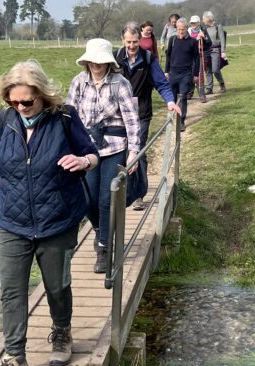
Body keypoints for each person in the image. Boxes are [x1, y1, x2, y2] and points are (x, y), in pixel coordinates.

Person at [0, 60, 99, 366]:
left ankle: (62, 332)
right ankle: (16, 364)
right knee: (12, 292)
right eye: (13, 102)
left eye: (26, 102)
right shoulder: (6, 120)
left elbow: (91, 154)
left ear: (43, 96)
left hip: (56, 219)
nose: (20, 108)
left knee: (57, 286)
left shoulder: (64, 118)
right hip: (11, 220)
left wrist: (82, 162)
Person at [66, 38, 140, 273]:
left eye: (100, 61)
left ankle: (104, 247)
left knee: (107, 198)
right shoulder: (79, 83)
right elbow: (70, 118)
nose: (96, 65)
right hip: (87, 149)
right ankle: (100, 229)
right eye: (92, 60)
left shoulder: (120, 84)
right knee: (87, 201)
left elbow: (131, 120)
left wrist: (134, 152)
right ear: (86, 61)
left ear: (108, 63)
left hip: (114, 146)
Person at [116, 25, 182, 211]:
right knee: (121, 151)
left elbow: (161, 83)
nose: (131, 46)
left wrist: (170, 101)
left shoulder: (148, 59)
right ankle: (121, 192)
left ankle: (138, 195)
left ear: (140, 40)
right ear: (123, 40)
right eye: (128, 42)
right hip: (117, 115)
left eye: (135, 42)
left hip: (141, 113)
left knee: (138, 150)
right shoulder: (114, 59)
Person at [165, 17, 200, 132]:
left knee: (183, 96)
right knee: (172, 97)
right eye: (179, 29)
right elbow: (168, 56)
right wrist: (166, 71)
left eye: (183, 30)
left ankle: (181, 121)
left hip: (186, 73)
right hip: (173, 72)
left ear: (187, 29)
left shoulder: (192, 42)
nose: (181, 32)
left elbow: (197, 58)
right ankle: (174, 116)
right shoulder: (172, 40)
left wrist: (195, 74)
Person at [186, 15, 211, 102]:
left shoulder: (203, 30)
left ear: (198, 23)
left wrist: (204, 37)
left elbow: (209, 42)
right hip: (190, 56)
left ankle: (201, 94)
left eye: (194, 23)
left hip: (200, 55)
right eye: (191, 23)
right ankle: (190, 92)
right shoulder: (188, 31)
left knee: (200, 75)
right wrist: (196, 39)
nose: (193, 24)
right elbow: (187, 44)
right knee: (190, 74)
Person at [202, 11, 227, 94]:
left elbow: (222, 39)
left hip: (216, 50)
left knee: (215, 69)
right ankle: (209, 88)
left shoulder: (218, 26)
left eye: (204, 19)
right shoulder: (204, 29)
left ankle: (222, 84)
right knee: (208, 70)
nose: (203, 21)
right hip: (207, 51)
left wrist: (223, 51)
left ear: (209, 18)